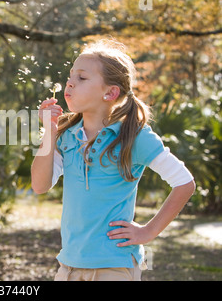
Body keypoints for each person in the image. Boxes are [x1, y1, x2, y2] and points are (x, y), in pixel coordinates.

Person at [31, 39, 195, 281]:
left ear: (110, 92)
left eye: (82, 78)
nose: (70, 82)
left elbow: (185, 183)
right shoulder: (65, 136)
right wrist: (50, 132)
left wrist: (148, 231)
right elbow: (40, 185)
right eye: (70, 76)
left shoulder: (135, 136)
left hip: (115, 265)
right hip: (68, 265)